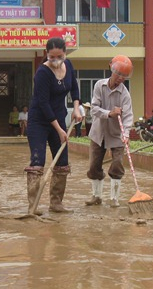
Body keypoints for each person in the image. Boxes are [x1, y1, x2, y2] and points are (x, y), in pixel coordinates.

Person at [25, 37, 82, 214]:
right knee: (37, 162)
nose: (56, 60)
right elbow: (43, 103)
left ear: (65, 53)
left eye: (60, 56)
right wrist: (59, 130)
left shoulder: (69, 65)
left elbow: (74, 87)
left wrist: (76, 108)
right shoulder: (42, 73)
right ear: (46, 55)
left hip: (59, 116)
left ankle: (56, 203)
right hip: (39, 122)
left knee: (62, 162)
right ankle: (33, 206)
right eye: (52, 57)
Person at [85, 55, 134, 207]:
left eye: (124, 76)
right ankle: (96, 196)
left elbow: (128, 116)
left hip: (117, 134)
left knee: (117, 164)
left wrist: (125, 135)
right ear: (111, 69)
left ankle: (114, 198)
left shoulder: (124, 94)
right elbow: (94, 109)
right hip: (99, 132)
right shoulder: (100, 86)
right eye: (118, 74)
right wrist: (110, 113)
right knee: (94, 165)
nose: (120, 78)